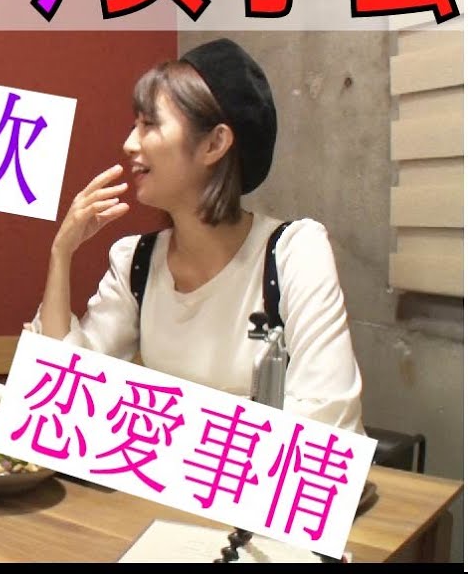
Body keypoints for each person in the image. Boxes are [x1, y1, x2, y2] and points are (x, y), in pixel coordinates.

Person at [32, 38, 364, 434]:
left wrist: (160, 423)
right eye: (134, 125)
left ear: (214, 143)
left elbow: (328, 419)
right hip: (176, 469)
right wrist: (61, 252)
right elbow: (63, 389)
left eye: (150, 124)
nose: (129, 144)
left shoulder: (294, 253)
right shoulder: (137, 261)